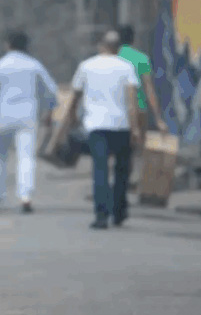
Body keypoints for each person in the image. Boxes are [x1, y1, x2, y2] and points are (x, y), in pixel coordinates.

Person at [0, 31, 58, 213]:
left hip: (3, 116)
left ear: (7, 44)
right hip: (27, 117)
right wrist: (49, 111)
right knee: (26, 157)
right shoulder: (34, 65)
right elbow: (51, 91)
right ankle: (25, 196)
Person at [67, 31, 142, 229]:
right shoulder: (127, 67)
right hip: (121, 125)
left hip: (96, 126)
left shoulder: (86, 66)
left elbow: (74, 96)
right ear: (118, 48)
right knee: (121, 170)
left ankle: (101, 215)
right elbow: (132, 101)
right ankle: (119, 211)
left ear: (101, 45)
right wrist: (135, 128)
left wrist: (72, 117)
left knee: (100, 169)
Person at [117, 25, 169, 186]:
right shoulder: (141, 58)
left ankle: (120, 178)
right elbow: (149, 89)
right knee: (137, 146)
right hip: (139, 109)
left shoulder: (112, 59)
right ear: (133, 39)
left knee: (118, 147)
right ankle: (132, 179)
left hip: (118, 109)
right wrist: (159, 118)